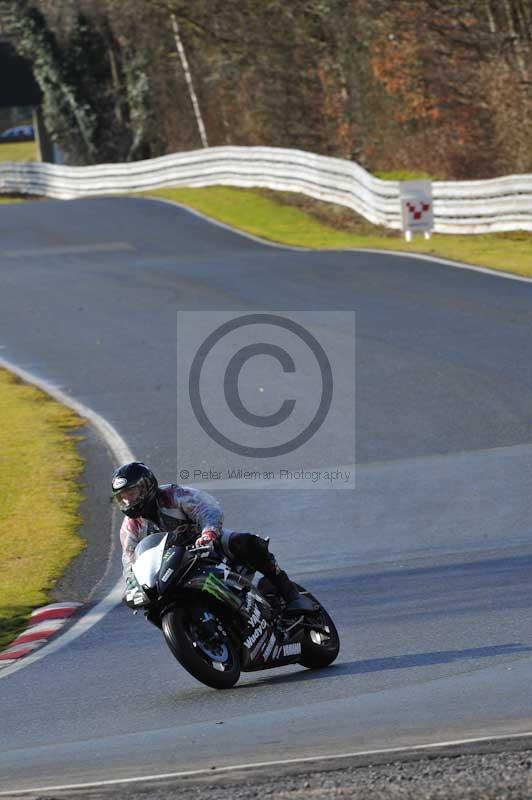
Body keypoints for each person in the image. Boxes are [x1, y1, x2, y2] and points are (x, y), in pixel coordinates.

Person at [113, 461, 314, 615]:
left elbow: (208, 509)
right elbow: (130, 561)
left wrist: (208, 533)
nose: (127, 500)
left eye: (131, 493)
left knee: (247, 543)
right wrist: (133, 584)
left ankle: (292, 595)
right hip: (172, 568)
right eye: (123, 497)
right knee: (152, 605)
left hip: (207, 546)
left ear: (146, 486)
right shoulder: (130, 527)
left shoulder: (173, 495)